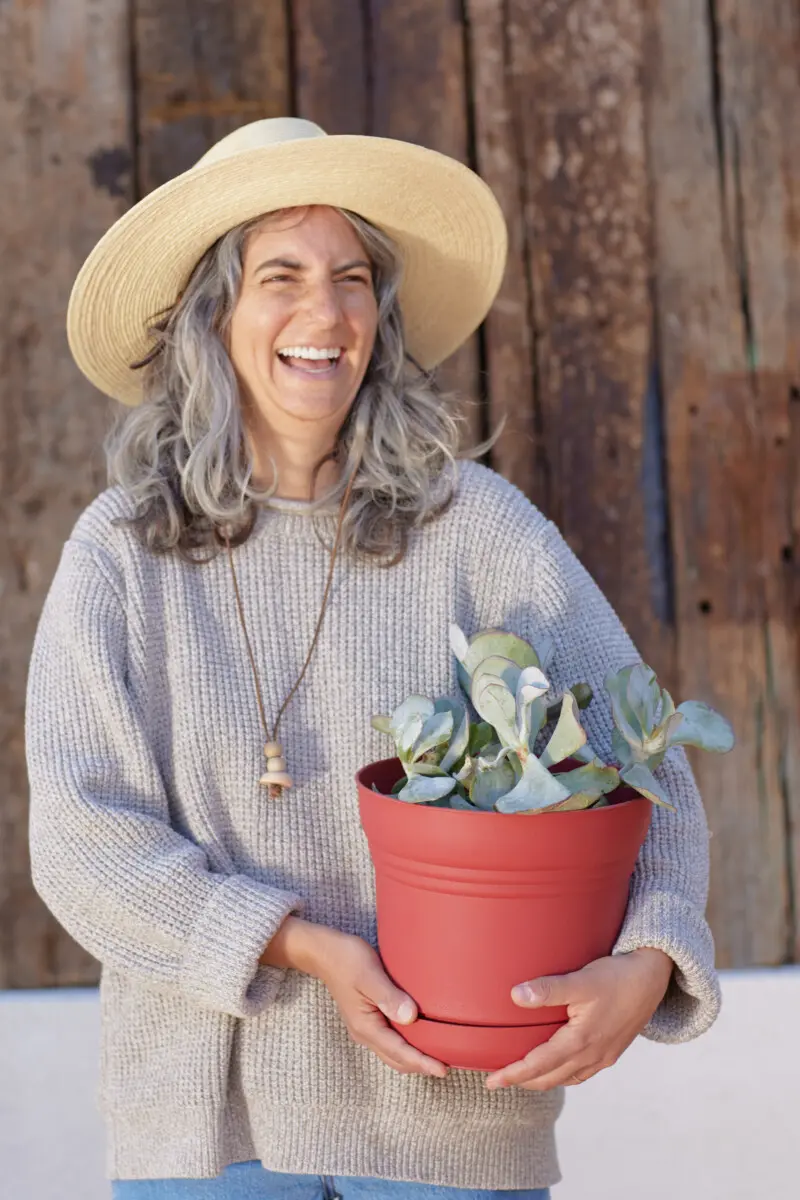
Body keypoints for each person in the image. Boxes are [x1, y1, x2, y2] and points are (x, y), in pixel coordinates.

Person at [25, 118, 721, 1200]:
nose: (326, 312)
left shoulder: (480, 530)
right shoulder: (124, 555)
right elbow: (81, 842)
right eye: (282, 276)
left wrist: (649, 959)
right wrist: (298, 944)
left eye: (352, 277)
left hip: (451, 1125)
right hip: (211, 1136)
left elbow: (648, 763)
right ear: (210, 316)